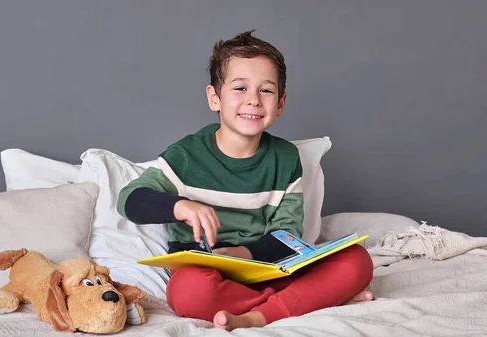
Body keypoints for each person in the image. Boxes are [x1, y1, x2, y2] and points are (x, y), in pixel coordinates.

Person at [117, 30, 374, 331]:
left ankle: (258, 315)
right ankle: (305, 300)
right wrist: (180, 206)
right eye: (240, 88)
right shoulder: (186, 156)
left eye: (266, 91)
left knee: (357, 260)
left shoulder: (285, 158)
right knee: (187, 291)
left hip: (269, 266)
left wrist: (245, 254)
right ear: (215, 97)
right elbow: (129, 200)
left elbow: (287, 234)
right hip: (208, 273)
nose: (253, 100)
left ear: (280, 103)